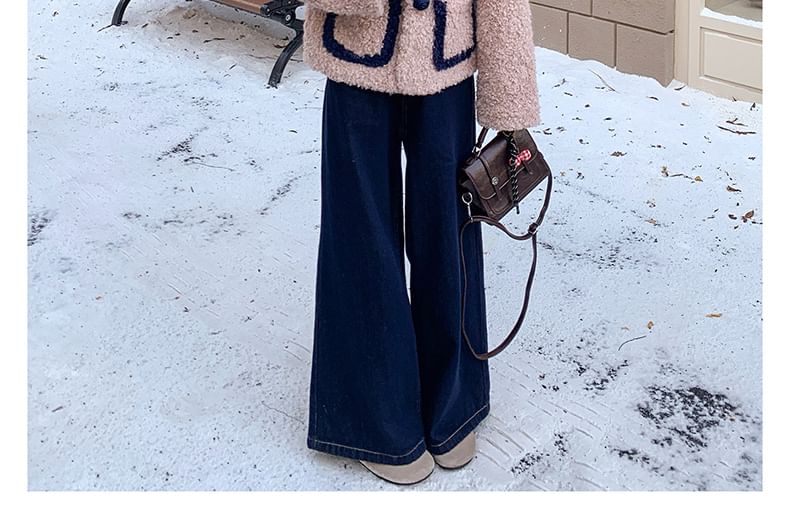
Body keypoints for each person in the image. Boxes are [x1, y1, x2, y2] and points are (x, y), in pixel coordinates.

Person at [300, 0, 541, 485]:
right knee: (360, 238)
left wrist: (508, 93)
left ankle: (453, 405)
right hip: (356, 49)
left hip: (446, 61)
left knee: (450, 235)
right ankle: (378, 421)